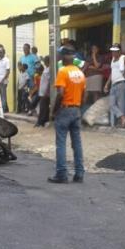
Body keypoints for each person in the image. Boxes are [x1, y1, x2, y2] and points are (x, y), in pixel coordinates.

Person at [48, 47, 86, 184]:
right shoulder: (80, 73)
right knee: (77, 143)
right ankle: (79, 174)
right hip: (76, 110)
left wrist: (54, 111)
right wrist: (78, 107)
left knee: (61, 143)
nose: (59, 58)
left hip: (64, 110)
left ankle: (62, 174)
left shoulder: (63, 72)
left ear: (64, 57)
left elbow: (60, 93)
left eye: (60, 55)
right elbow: (84, 93)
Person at [103, 44, 125, 128]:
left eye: (115, 51)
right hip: (113, 83)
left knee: (120, 104)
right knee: (111, 104)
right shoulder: (113, 60)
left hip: (121, 83)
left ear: (119, 51)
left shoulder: (123, 58)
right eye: (112, 51)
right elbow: (112, 73)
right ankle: (123, 118)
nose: (113, 53)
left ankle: (122, 123)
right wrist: (107, 84)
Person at [35, 56, 52, 127]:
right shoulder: (46, 69)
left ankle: (40, 122)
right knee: (44, 107)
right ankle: (44, 121)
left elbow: (50, 82)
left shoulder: (50, 69)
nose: (44, 62)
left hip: (45, 92)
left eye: (45, 60)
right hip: (42, 91)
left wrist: (47, 91)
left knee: (43, 107)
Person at [0, 44, 11, 113]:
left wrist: (3, 80)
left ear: (4, 52)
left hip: (3, 81)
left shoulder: (6, 60)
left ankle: (3, 109)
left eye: (0, 52)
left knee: (3, 96)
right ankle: (2, 108)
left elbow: (8, 71)